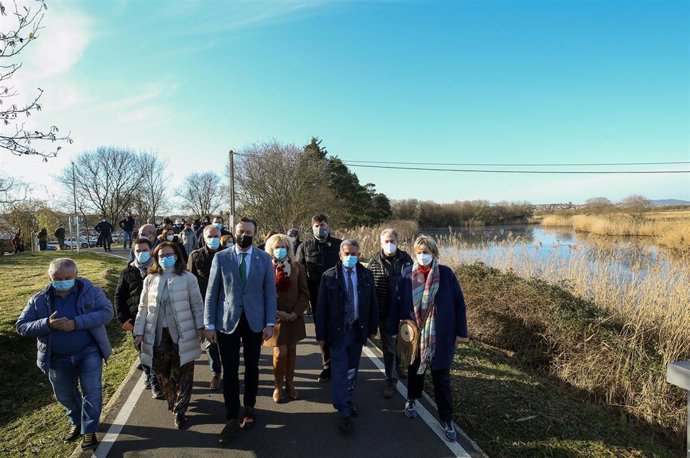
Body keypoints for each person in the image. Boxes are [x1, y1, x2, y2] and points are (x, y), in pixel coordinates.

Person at [15, 258, 113, 450]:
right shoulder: (39, 300)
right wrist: (46, 324)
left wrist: (76, 323)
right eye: (57, 278)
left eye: (67, 277)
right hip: (56, 358)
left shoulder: (91, 292)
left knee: (92, 391)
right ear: (50, 277)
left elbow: (107, 312)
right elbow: (21, 326)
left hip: (88, 352)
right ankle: (77, 420)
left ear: (76, 275)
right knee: (64, 395)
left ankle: (89, 430)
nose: (62, 281)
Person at [204, 217, 277, 444]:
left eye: (248, 232)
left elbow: (269, 293)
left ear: (255, 234)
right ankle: (231, 415)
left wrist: (270, 323)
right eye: (240, 231)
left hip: (255, 322)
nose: (243, 235)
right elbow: (212, 293)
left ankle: (250, 407)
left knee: (252, 367)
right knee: (230, 369)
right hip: (227, 322)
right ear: (234, 232)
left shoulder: (264, 258)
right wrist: (209, 324)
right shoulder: (221, 257)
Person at [390, 235, 468, 442]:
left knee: (441, 377)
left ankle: (446, 418)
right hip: (415, 334)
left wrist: (461, 332)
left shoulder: (446, 274)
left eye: (426, 252)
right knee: (415, 371)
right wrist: (393, 328)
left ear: (434, 253)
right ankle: (411, 399)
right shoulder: (407, 274)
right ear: (415, 254)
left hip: (440, 335)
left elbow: (459, 304)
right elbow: (396, 303)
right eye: (419, 252)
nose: (422, 256)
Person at [133, 242, 204, 429]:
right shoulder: (150, 279)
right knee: (163, 372)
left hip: (183, 331)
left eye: (169, 255)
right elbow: (142, 308)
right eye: (161, 256)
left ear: (177, 256)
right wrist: (138, 332)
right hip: (157, 333)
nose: (165, 258)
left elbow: (197, 304)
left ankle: (181, 410)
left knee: (185, 371)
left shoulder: (188, 278)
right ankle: (172, 399)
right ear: (156, 258)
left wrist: (201, 327)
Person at [315, 239, 378, 434]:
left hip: (357, 330)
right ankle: (343, 409)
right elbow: (321, 308)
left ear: (359, 255)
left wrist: (372, 328)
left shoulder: (366, 275)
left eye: (354, 254)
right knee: (340, 370)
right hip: (338, 332)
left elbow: (372, 303)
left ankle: (347, 400)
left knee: (352, 370)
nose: (350, 257)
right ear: (340, 255)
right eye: (346, 253)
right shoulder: (329, 277)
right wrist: (321, 334)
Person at [262, 234, 309, 403]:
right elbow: (261, 293)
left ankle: (290, 383)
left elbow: (304, 294)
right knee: (280, 353)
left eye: (284, 247)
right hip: (275, 318)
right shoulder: (265, 267)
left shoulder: (297, 268)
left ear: (289, 249)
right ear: (271, 249)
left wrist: (295, 313)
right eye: (277, 247)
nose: (280, 250)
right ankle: (278, 385)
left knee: (292, 352)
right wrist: (277, 312)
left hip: (294, 317)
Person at [114, 238, 163, 399]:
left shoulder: (159, 269)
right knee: (143, 350)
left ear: (151, 250)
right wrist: (122, 319)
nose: (141, 253)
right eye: (138, 251)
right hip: (136, 320)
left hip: (158, 318)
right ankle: (149, 375)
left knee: (156, 351)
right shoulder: (127, 272)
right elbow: (119, 297)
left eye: (144, 250)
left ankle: (155, 382)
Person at [295, 213, 342, 382]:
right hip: (316, 297)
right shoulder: (304, 247)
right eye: (316, 226)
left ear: (328, 226)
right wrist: (303, 298)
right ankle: (327, 366)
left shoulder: (338, 245)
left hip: (338, 297)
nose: (320, 228)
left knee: (337, 330)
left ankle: (339, 365)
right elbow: (299, 273)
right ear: (311, 227)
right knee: (321, 332)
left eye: (322, 225)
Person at [367, 228, 413, 397]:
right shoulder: (374, 262)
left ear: (397, 242)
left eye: (392, 241)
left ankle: (399, 368)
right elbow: (369, 289)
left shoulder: (406, 260)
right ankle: (391, 381)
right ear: (381, 243)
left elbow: (413, 282)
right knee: (389, 347)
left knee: (402, 344)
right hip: (384, 311)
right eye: (386, 241)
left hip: (403, 311)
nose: (389, 244)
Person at [187, 224, 226, 390]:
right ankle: (216, 373)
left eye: (216, 236)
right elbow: (189, 280)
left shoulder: (228, 255)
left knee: (226, 341)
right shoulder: (195, 256)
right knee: (210, 343)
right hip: (203, 305)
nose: (213, 239)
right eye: (210, 236)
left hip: (225, 305)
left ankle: (228, 370)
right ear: (203, 237)